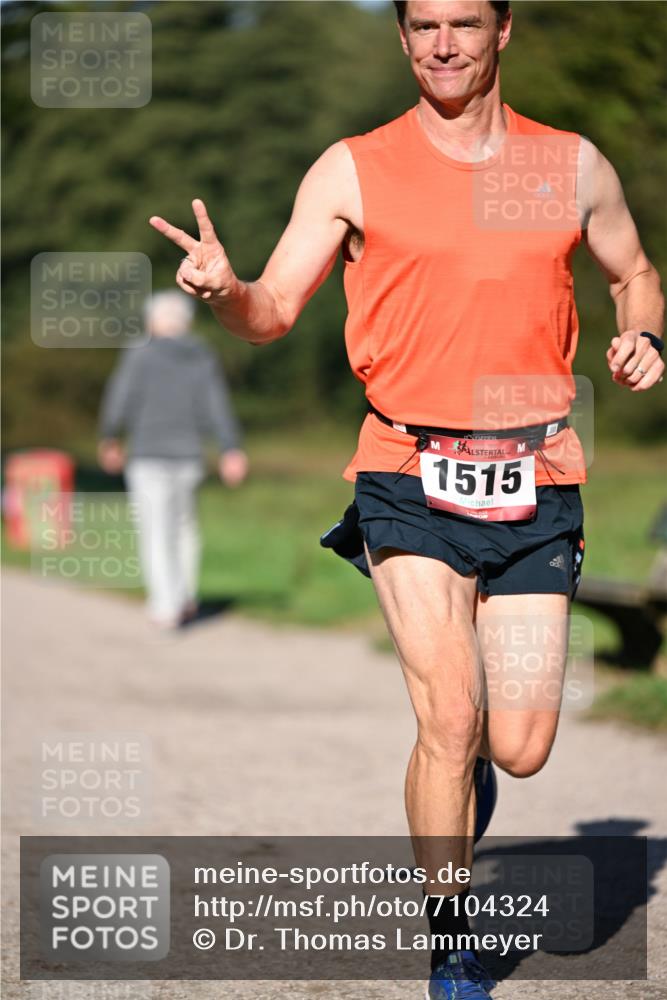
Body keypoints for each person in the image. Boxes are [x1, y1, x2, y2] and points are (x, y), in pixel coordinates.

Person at [149, 1, 664, 993]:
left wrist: (642, 332)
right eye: (422, 24)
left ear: (502, 30)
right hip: (405, 469)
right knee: (447, 711)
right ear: (400, 36)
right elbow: (271, 314)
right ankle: (452, 941)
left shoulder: (567, 164)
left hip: (536, 474)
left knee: (515, 746)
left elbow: (634, 272)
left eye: (464, 22)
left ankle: (463, 767)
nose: (443, 43)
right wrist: (225, 291)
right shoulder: (353, 167)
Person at [98, 290, 247, 629]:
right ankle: (184, 598)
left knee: (155, 529)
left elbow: (120, 397)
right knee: (184, 527)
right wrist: (230, 447)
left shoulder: (139, 354)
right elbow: (216, 405)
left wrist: (109, 437)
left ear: (153, 322)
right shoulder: (202, 355)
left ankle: (166, 607)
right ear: (186, 322)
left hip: (147, 455)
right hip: (189, 456)